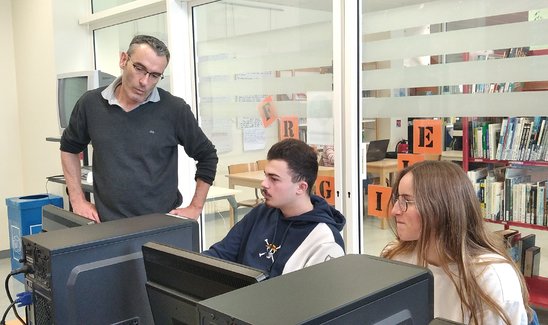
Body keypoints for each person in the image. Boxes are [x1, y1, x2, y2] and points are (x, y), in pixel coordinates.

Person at [60, 35, 218, 222]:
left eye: (154, 75)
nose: (144, 82)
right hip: (108, 226)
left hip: (160, 225)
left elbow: (207, 156)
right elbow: (69, 148)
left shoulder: (174, 109)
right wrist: (77, 199)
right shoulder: (90, 104)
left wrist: (195, 207)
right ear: (123, 60)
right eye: (139, 68)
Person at [381, 160, 532, 325]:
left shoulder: (491, 279)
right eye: (397, 199)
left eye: (406, 201)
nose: (394, 210)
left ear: (441, 208)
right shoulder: (396, 257)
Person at [203, 138, 345, 278]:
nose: (264, 183)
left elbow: (315, 298)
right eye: (265, 176)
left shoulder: (324, 240)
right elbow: (220, 255)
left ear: (301, 187)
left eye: (274, 179)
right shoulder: (260, 213)